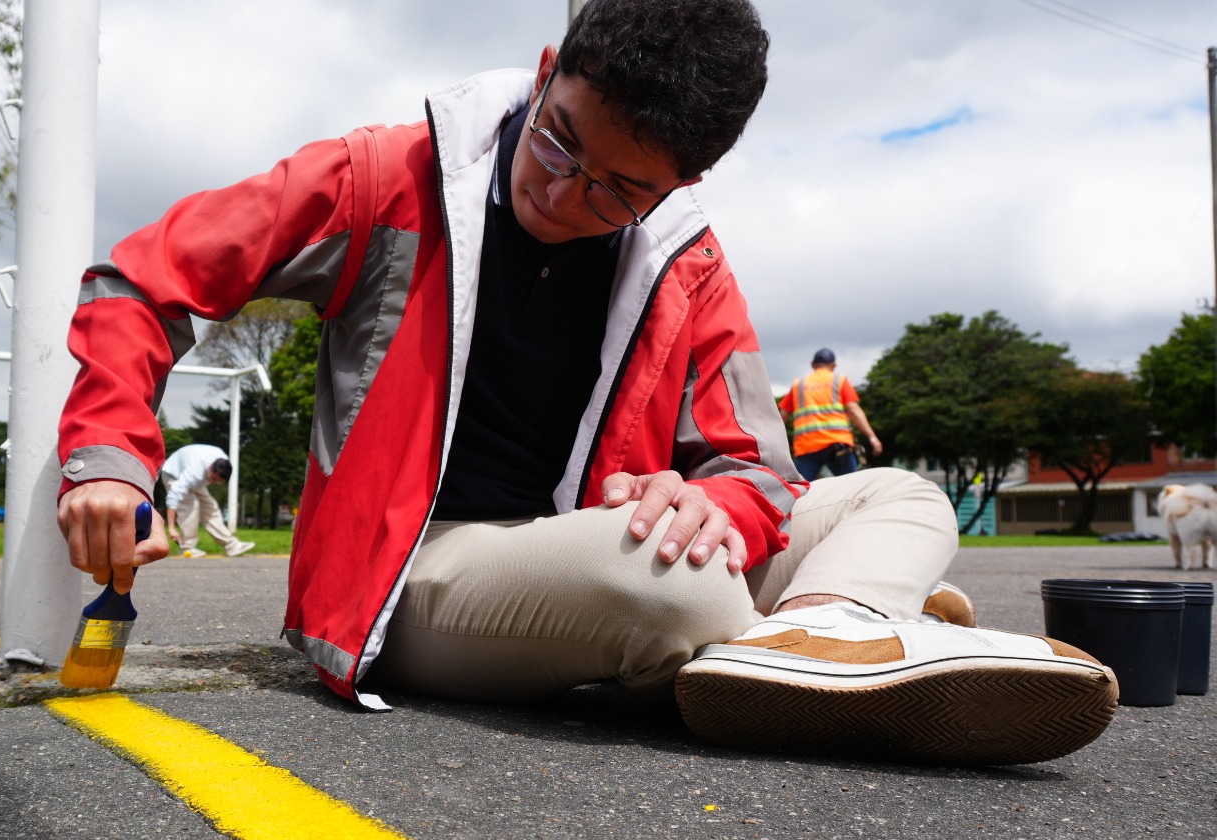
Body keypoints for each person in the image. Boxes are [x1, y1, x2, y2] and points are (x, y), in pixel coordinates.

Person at [55, 0, 1117, 765]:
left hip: (599, 539)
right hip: (419, 573)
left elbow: (754, 463)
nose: (565, 192)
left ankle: (830, 628)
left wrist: (716, 500)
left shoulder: (687, 257)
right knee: (671, 583)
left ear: (684, 180)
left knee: (900, 493)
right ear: (548, 58)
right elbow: (143, 277)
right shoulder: (384, 174)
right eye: (560, 143)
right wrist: (109, 457)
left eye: (620, 189)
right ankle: (861, 630)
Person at [779, 348, 883, 480]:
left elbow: (782, 417)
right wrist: (873, 438)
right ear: (833, 365)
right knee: (852, 489)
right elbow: (854, 411)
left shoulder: (798, 385)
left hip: (807, 447)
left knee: (800, 494)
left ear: (813, 365)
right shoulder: (840, 381)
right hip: (837, 446)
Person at [156, 444, 256, 559]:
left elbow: (208, 479)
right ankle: (187, 548)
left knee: (211, 507)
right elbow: (173, 497)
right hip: (173, 474)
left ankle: (231, 546)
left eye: (218, 481)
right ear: (210, 468)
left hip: (195, 476)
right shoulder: (194, 471)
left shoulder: (222, 461)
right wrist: (172, 528)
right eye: (213, 479)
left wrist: (210, 479)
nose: (214, 483)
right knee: (192, 505)